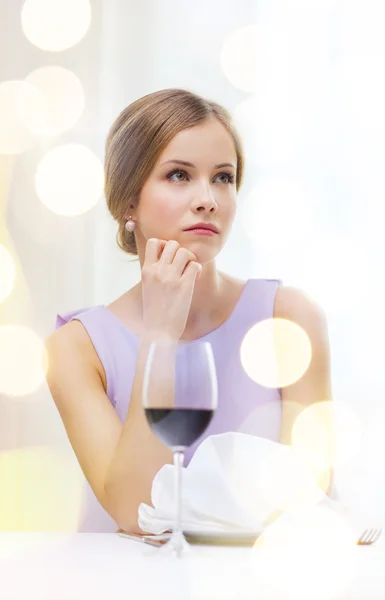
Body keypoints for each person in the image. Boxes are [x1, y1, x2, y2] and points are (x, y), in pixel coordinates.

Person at [45, 88, 332, 534]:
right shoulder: (76, 350)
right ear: (127, 202)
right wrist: (161, 333)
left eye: (223, 177)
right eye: (179, 175)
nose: (208, 199)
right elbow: (136, 511)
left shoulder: (290, 318)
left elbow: (312, 495)